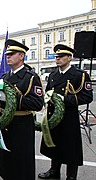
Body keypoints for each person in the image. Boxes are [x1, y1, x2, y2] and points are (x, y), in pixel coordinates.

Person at [38, 44, 93, 180]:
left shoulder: (79, 75)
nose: (57, 59)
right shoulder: (53, 75)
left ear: (69, 57)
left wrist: (64, 99)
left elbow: (87, 96)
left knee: (70, 148)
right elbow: (49, 92)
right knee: (54, 144)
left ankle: (71, 176)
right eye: (56, 56)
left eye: (61, 56)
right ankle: (54, 170)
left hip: (69, 116)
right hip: (53, 115)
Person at [0, 39, 44, 179]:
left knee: (21, 165)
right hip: (5, 125)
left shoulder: (30, 77)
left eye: (12, 53)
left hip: (21, 126)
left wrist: (14, 98)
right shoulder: (4, 77)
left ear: (21, 56)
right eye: (7, 54)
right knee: (6, 164)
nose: (7, 56)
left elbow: (37, 103)